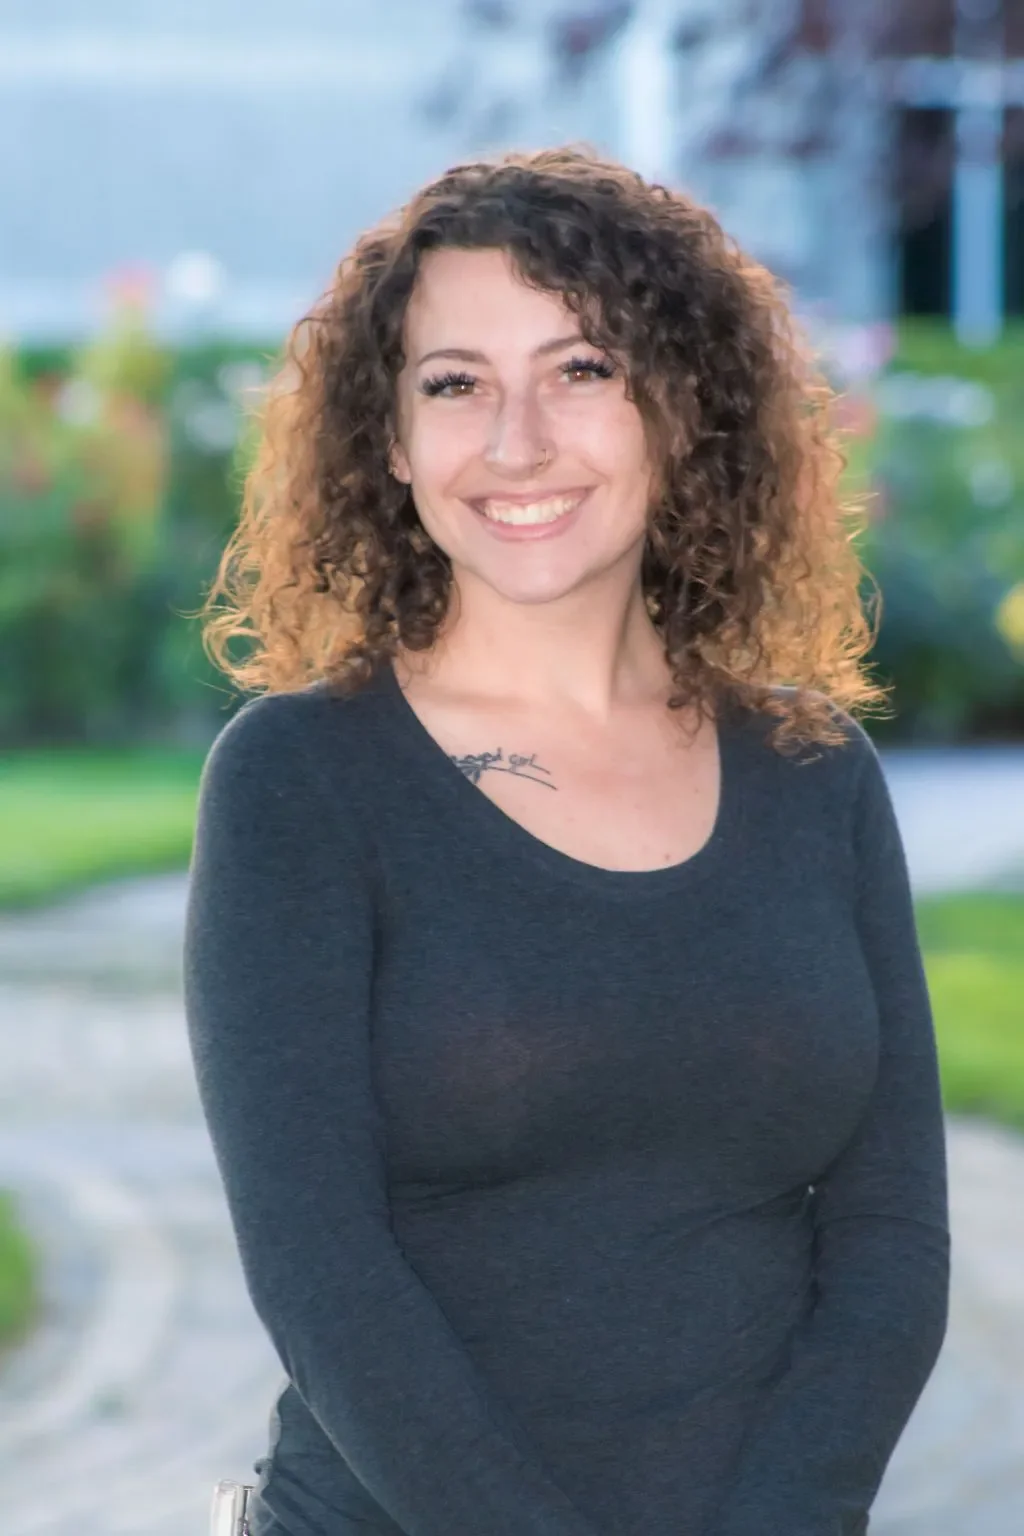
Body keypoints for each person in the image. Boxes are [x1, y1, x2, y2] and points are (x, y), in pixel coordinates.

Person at [184, 146, 950, 1536]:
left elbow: (892, 1243)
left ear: (683, 407)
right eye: (455, 382)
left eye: (583, 369)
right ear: (392, 440)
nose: (517, 440)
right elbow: (321, 1272)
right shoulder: (299, 782)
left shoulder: (815, 774)